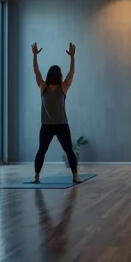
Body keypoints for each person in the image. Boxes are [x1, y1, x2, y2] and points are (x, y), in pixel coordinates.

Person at [31, 42, 81, 185]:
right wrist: (72, 57)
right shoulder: (61, 86)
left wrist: (34, 56)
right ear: (59, 75)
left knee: (44, 151)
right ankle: (75, 176)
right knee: (66, 151)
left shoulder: (43, 86)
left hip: (53, 125)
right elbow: (72, 72)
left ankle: (37, 176)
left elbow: (36, 71)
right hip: (56, 125)